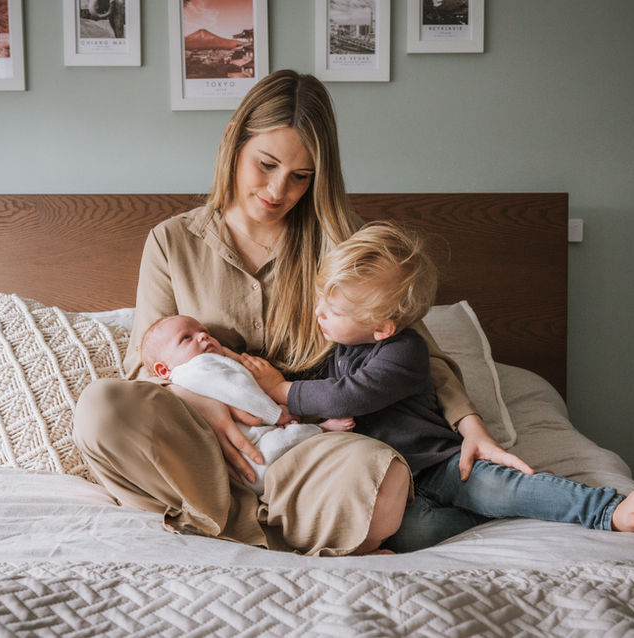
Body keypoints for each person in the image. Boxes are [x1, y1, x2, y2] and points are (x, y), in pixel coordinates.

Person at [73, 69, 520, 556]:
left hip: (307, 448)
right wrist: (202, 402)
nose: (277, 190)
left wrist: (469, 423)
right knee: (101, 408)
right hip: (200, 451)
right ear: (233, 141)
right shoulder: (171, 241)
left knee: (382, 471)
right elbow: (144, 369)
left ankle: (223, 523)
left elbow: (416, 354)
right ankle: (294, 528)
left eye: (300, 176)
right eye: (266, 164)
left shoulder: (346, 241)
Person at [242, 221, 634, 552]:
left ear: (383, 327)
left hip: (439, 465)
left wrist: (281, 389)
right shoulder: (339, 349)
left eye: (333, 310)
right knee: (413, 534)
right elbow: (321, 395)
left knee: (494, 488)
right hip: (391, 484)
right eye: (322, 300)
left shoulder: (405, 352)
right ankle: (510, 507)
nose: (318, 313)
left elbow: (347, 396)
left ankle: (605, 509)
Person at [138, 314, 355, 495]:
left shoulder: (185, 379)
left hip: (238, 465)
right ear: (163, 370)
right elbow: (240, 392)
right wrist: (277, 414)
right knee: (287, 439)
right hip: (256, 455)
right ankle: (322, 429)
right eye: (186, 338)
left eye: (205, 332)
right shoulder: (199, 367)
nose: (203, 336)